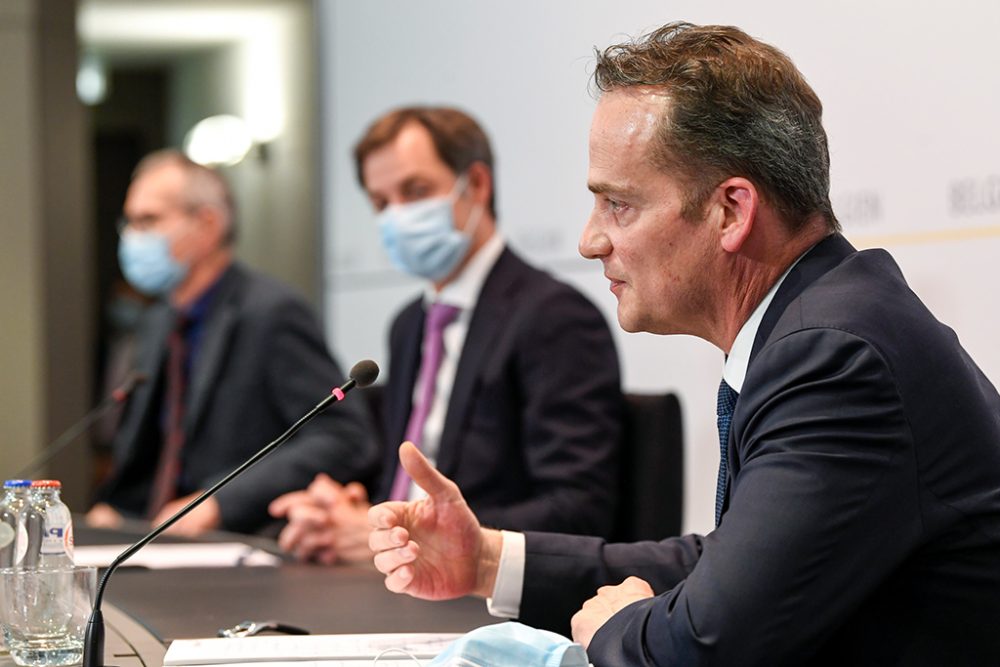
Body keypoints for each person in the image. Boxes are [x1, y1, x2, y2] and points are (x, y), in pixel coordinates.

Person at [366, 23, 1000, 665]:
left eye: (618, 205)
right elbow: (730, 564)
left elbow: (707, 642)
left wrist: (618, 627)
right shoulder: (822, 320)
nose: (589, 241)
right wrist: (487, 560)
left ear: (731, 210)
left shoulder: (836, 357)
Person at [268, 107, 622, 564]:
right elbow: (408, 478)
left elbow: (577, 511)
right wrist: (351, 514)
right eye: (380, 202)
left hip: (482, 594)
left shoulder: (554, 317)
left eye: (415, 191)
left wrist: (412, 533)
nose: (396, 215)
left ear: (476, 184)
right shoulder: (409, 323)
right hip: (394, 578)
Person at [86, 150, 377, 536]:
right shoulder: (158, 322)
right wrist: (118, 510)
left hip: (237, 541)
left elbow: (343, 437)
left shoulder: (271, 312)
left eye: (149, 220)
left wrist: (217, 502)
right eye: (130, 221)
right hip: (150, 537)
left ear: (207, 223)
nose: (133, 236)